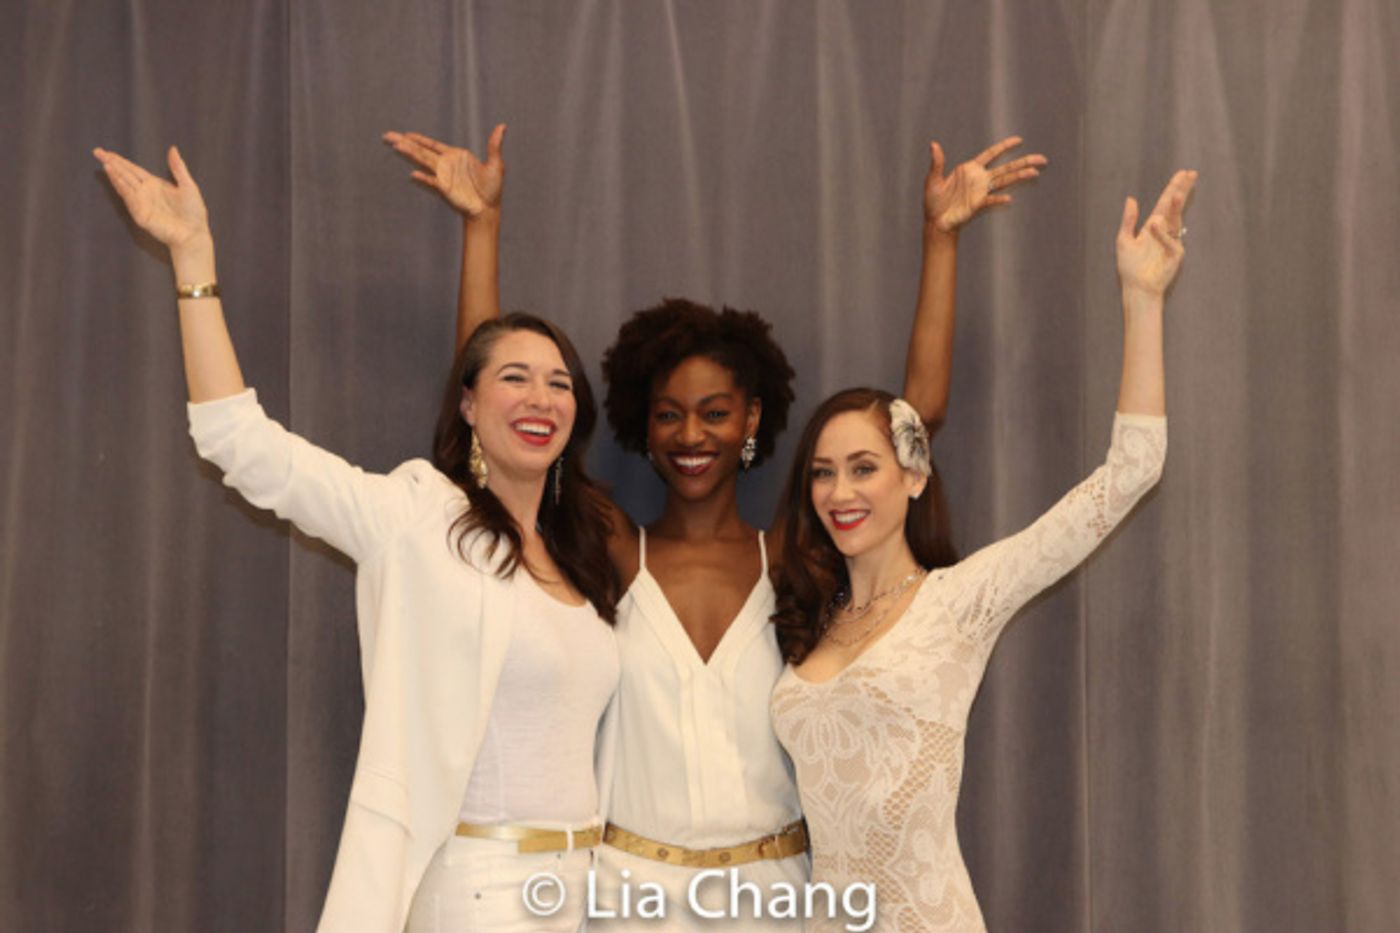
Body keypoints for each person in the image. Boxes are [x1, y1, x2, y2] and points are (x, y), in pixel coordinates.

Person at [381, 124, 1044, 929]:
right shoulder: (613, 547)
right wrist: (481, 228)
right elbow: (496, 414)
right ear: (642, 426)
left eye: (714, 413)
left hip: (781, 897)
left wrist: (940, 238)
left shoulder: (797, 557)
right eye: (668, 415)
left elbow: (914, 418)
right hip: (628, 898)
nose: (690, 435)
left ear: (752, 419)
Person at [93, 144, 624, 932]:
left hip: (590, 892)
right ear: (470, 405)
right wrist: (192, 260)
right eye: (513, 377)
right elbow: (241, 442)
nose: (540, 396)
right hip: (485, 894)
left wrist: (485, 226)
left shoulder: (582, 546)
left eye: (558, 382)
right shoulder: (416, 516)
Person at [768, 169, 1197, 932]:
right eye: (823, 473)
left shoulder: (963, 598)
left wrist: (1143, 299)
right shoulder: (810, 613)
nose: (841, 492)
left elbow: (1132, 472)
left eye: (864, 467)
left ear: (913, 474)